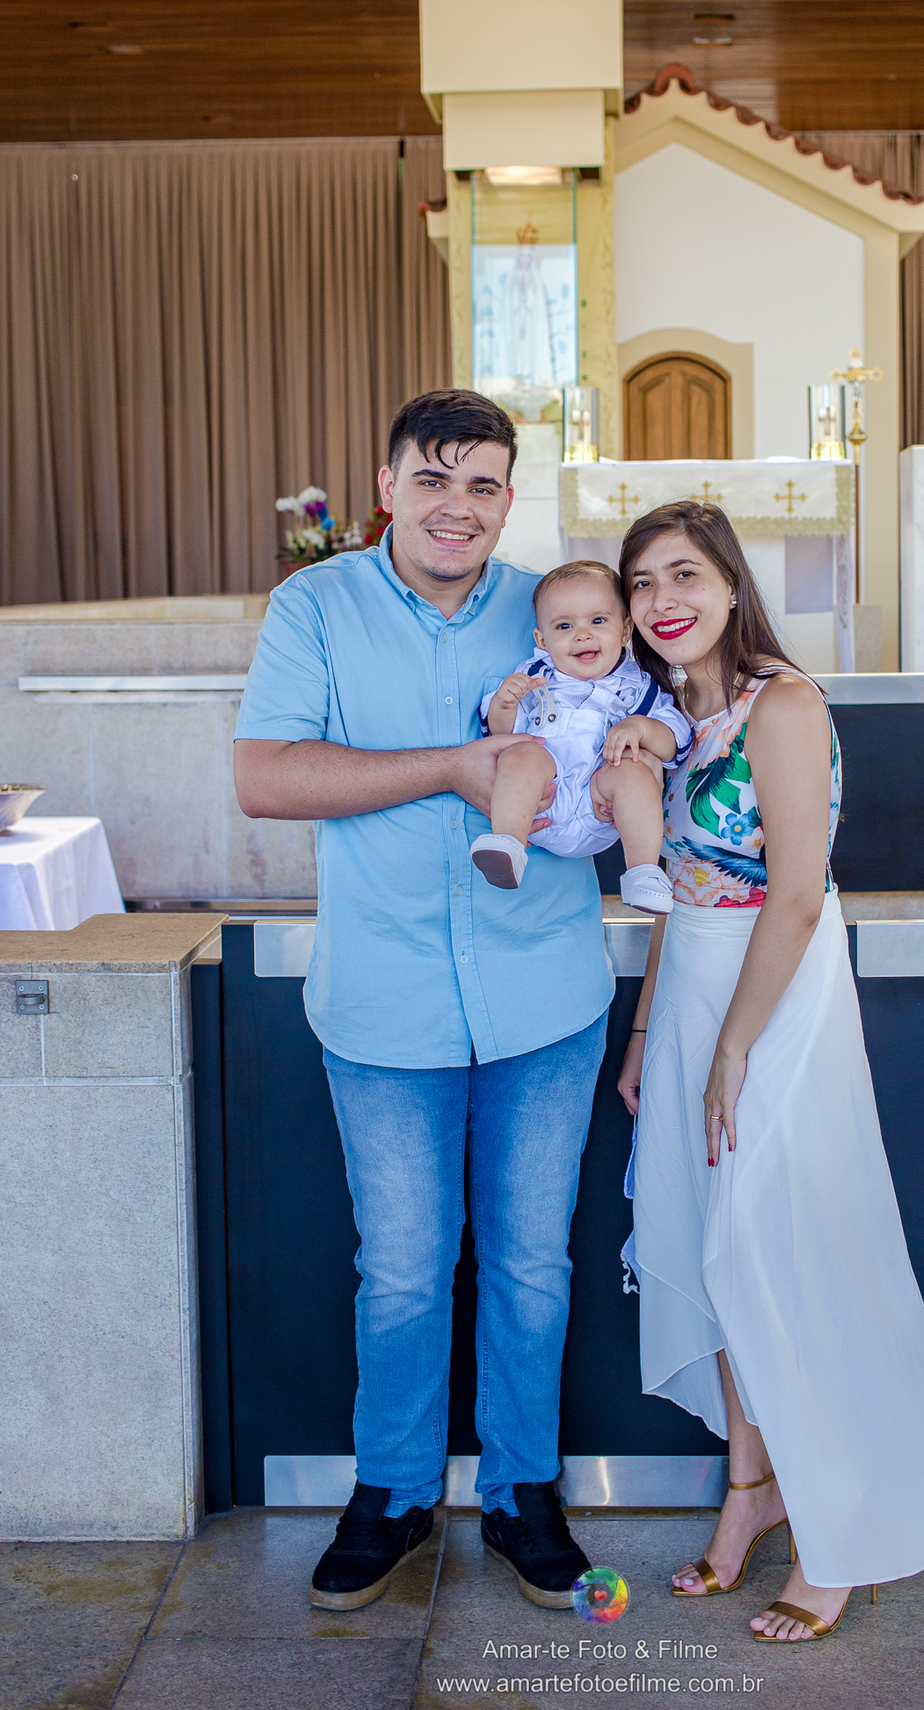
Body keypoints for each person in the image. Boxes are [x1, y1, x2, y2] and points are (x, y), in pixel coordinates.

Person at [233, 389, 612, 1614]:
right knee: (400, 1269)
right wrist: (453, 767)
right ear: (387, 486)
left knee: (531, 1266)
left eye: (487, 484)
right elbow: (268, 777)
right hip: (386, 997)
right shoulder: (317, 605)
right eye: (437, 479)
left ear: (512, 497)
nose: (462, 507)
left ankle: (523, 1494)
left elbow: (657, 698)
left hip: (542, 991)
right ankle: (393, 1494)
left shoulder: (551, 607)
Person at [616, 501, 924, 1645]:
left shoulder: (783, 704)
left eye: (682, 575)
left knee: (786, 1255)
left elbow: (793, 892)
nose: (658, 601)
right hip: (692, 993)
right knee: (714, 1256)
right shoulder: (672, 714)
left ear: (733, 586)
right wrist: (650, 1035)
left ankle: (841, 1532)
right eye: (640, 584)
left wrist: (735, 1045)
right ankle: (754, 1490)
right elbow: (676, 899)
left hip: (777, 1003)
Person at [472, 559, 690, 913]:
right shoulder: (534, 678)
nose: (582, 634)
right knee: (521, 753)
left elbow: (675, 742)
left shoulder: (637, 688)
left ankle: (642, 872)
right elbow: (499, 735)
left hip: (600, 808)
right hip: (541, 807)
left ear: (624, 630)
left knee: (632, 771)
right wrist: (504, 703)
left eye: (598, 621)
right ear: (542, 640)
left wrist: (640, 727)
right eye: (564, 625)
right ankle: (508, 842)